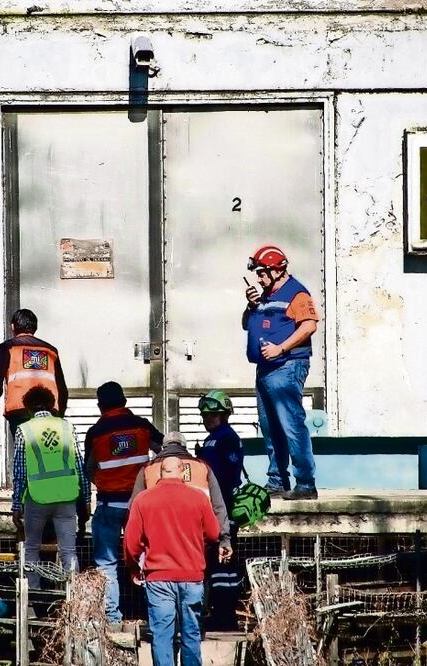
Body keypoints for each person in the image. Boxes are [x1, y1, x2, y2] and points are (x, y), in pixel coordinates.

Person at [124, 455, 223, 666]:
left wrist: (133, 567)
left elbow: (131, 542)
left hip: (158, 578)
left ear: (160, 473)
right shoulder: (198, 498)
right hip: (192, 575)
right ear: (182, 472)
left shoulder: (143, 499)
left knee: (161, 634)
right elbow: (214, 534)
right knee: (191, 633)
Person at [242, 245, 320, 501]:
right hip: (265, 369)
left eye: (263, 273)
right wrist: (250, 306)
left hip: (287, 366)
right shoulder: (264, 296)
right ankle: (277, 479)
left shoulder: (297, 293)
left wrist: (281, 348)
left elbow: (309, 326)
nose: (259, 278)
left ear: (278, 270)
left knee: (291, 424)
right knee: (270, 427)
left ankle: (306, 483)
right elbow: (247, 324)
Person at [84, 381, 164, 627]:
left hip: (109, 504)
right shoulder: (141, 426)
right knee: (149, 558)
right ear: (125, 401)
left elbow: (87, 468)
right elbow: (163, 450)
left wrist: (102, 481)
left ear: (100, 406)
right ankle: (157, 616)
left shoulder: (95, 433)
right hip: (140, 505)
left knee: (107, 563)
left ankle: (112, 619)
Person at [11, 386, 91, 588]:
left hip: (37, 498)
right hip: (66, 496)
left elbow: (20, 472)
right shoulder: (66, 427)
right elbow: (80, 465)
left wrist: (16, 506)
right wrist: (87, 499)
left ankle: (34, 594)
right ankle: (72, 596)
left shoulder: (24, 429)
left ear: (28, 407)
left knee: (31, 548)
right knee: (68, 551)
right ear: (51, 404)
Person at [0, 308, 69, 439]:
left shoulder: (8, 347)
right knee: (47, 453)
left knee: (25, 453)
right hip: (49, 412)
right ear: (35, 327)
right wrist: (60, 413)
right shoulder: (51, 351)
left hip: (19, 411)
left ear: (12, 326)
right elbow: (62, 387)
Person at [196, 390, 246, 630]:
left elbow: (224, 477)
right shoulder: (213, 438)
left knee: (224, 565)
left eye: (213, 415)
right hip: (213, 511)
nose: (208, 419)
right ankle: (218, 612)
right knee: (216, 566)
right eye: (205, 416)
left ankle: (225, 616)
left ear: (224, 415)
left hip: (223, 510)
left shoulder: (227, 438)